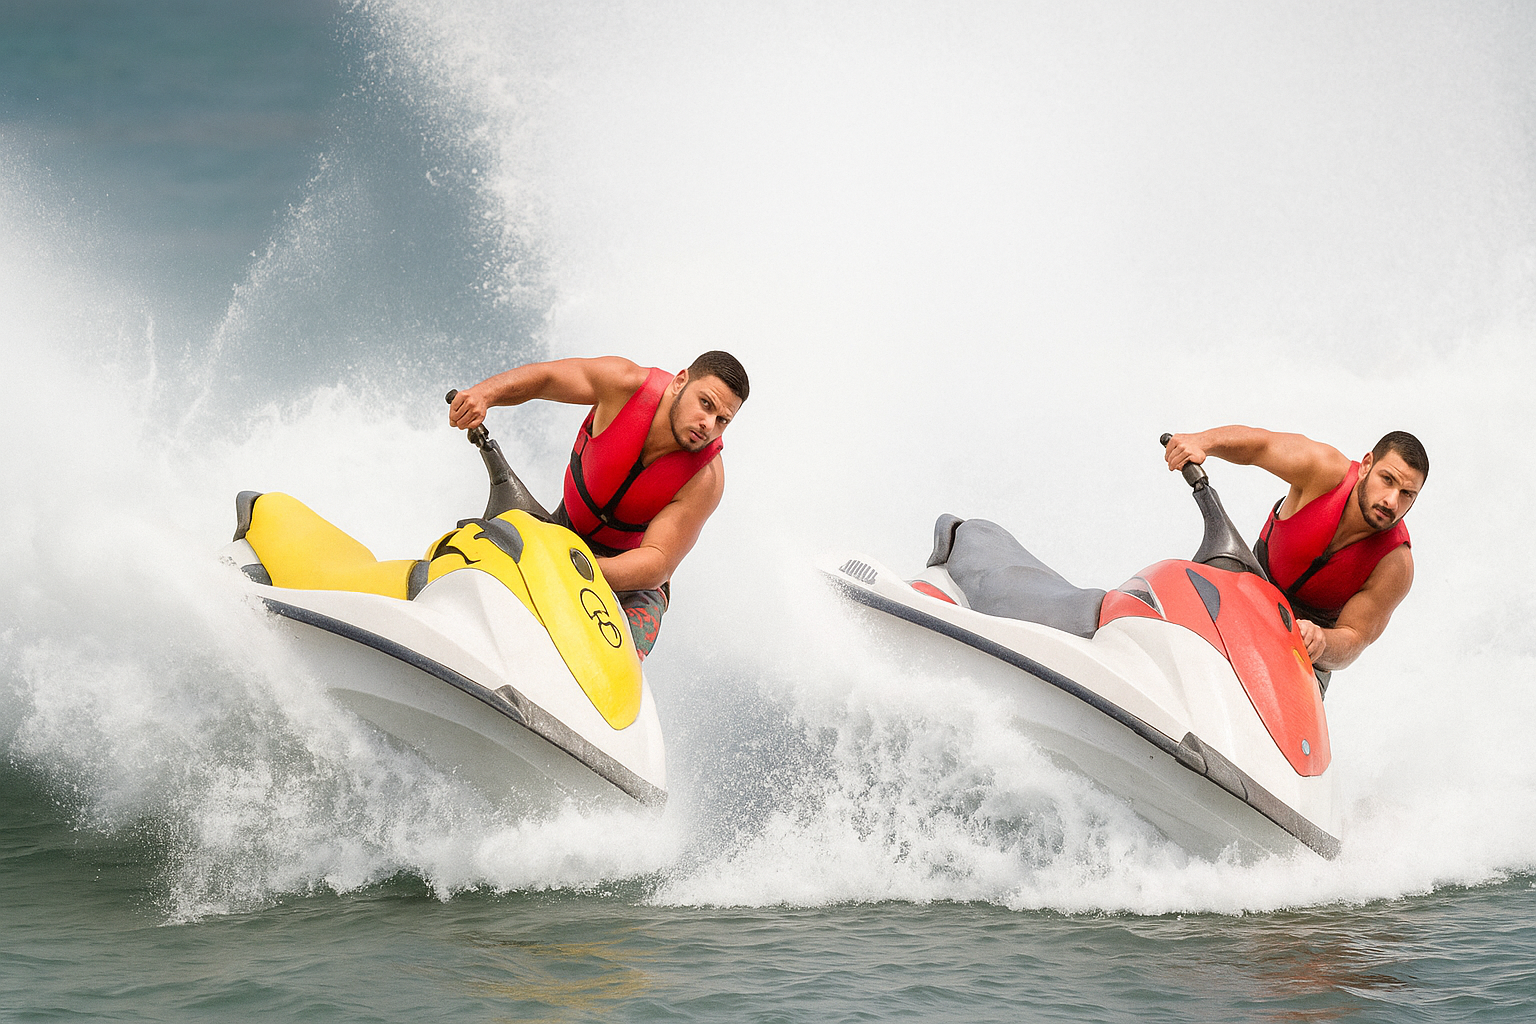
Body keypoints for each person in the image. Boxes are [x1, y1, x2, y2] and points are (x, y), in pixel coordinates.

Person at [449, 351, 748, 658]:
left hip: (632, 583)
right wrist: (484, 394)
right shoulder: (624, 385)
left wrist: (576, 567)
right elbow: (547, 379)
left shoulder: (705, 478)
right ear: (680, 382)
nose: (708, 424)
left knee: (625, 649)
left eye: (722, 420)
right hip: (565, 530)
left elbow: (657, 561)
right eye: (705, 404)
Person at [1162, 426, 1427, 673]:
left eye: (1407, 494)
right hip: (1252, 582)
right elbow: (1261, 446)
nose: (1392, 501)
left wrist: (1322, 641)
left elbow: (1354, 637)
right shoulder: (1323, 470)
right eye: (1387, 479)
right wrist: (1202, 442)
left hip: (1305, 649)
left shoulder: (1395, 565)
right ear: (1366, 465)